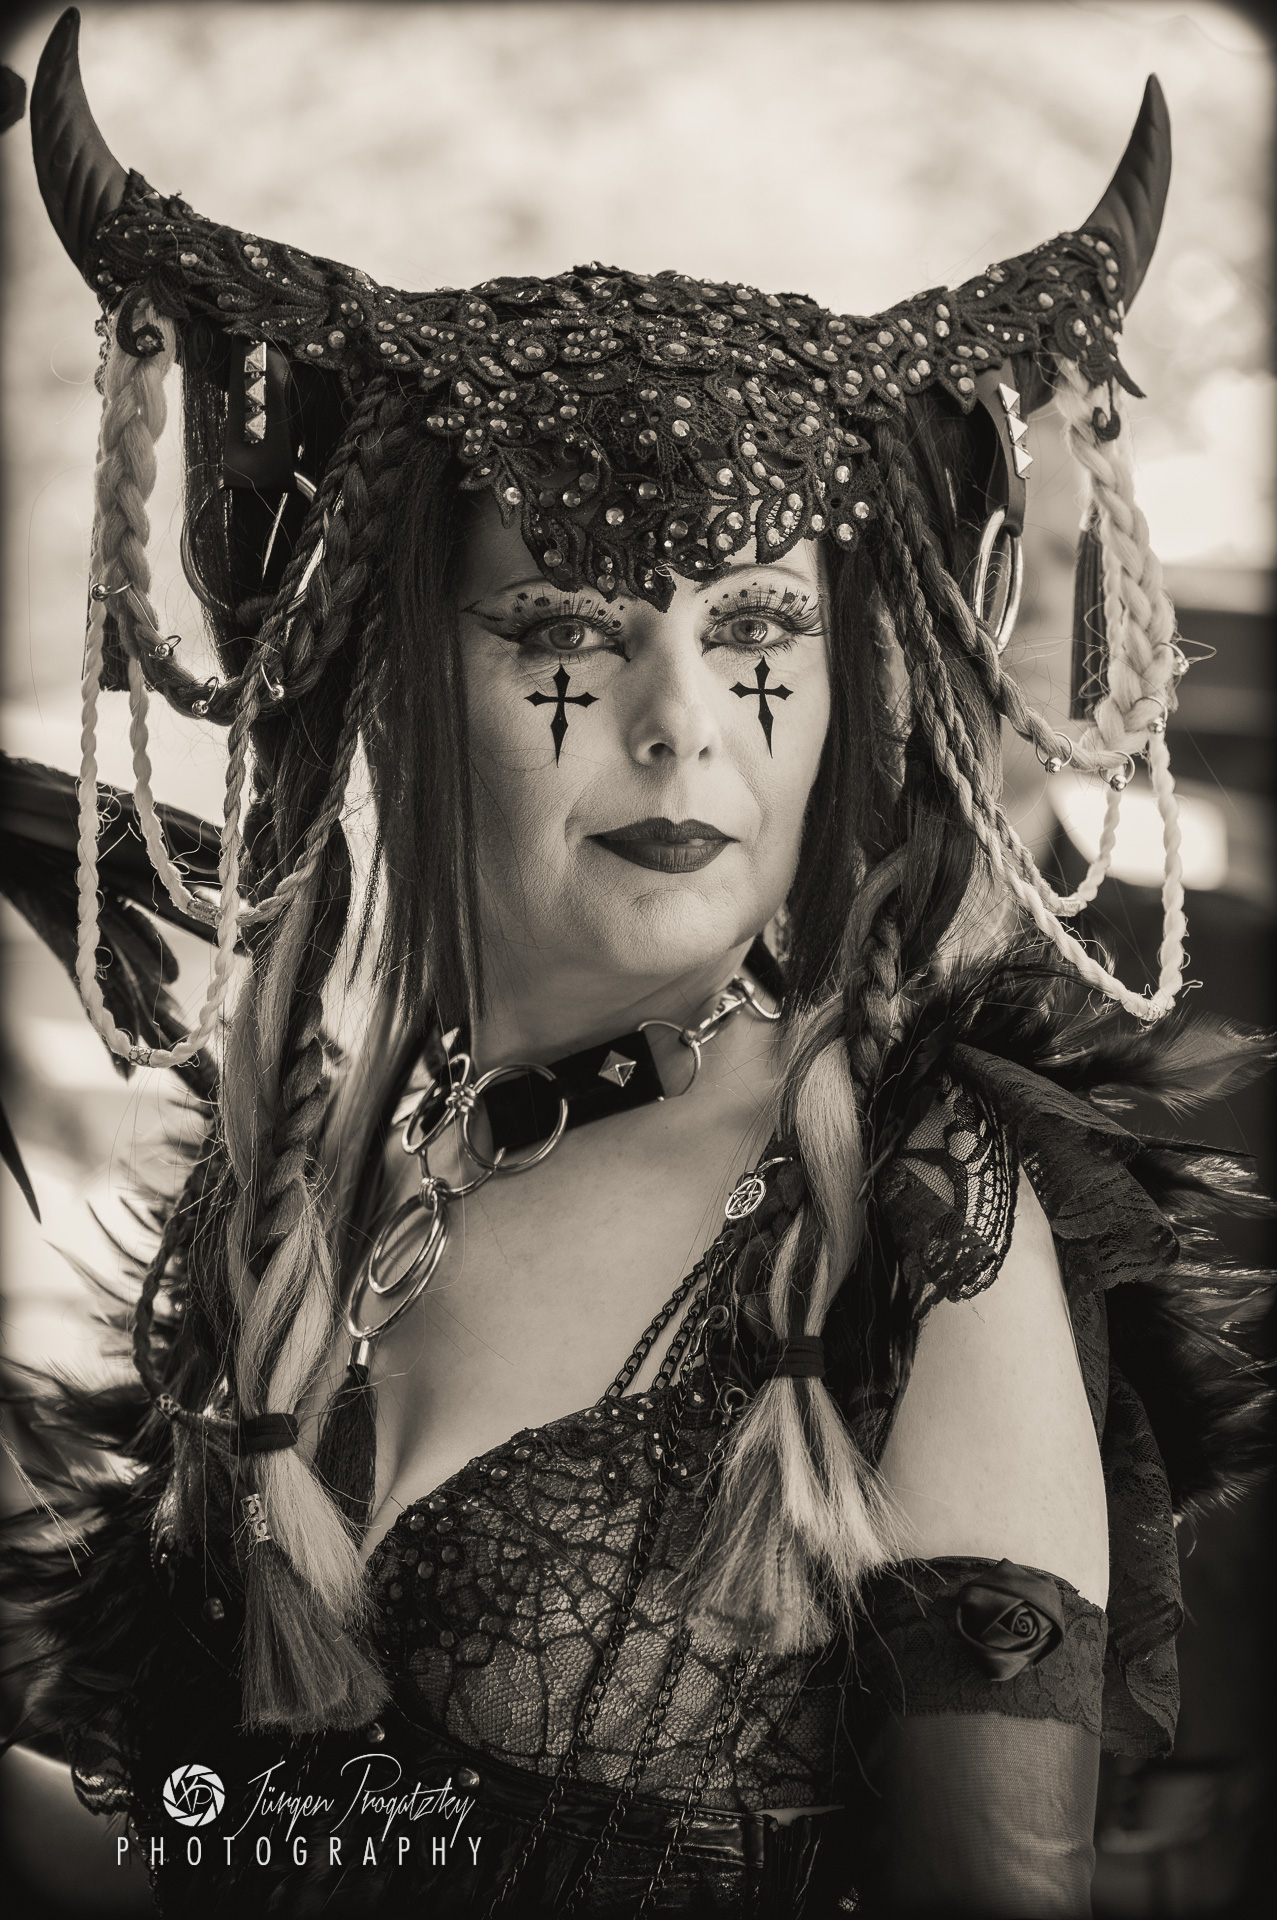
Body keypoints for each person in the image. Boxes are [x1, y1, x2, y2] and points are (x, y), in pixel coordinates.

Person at [1, 12, 1270, 1916]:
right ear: (398, 678)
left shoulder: (924, 1211)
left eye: (755, 629)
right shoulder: (306, 1178)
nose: (679, 726)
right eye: (566, 631)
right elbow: (228, 1854)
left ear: (846, 683)